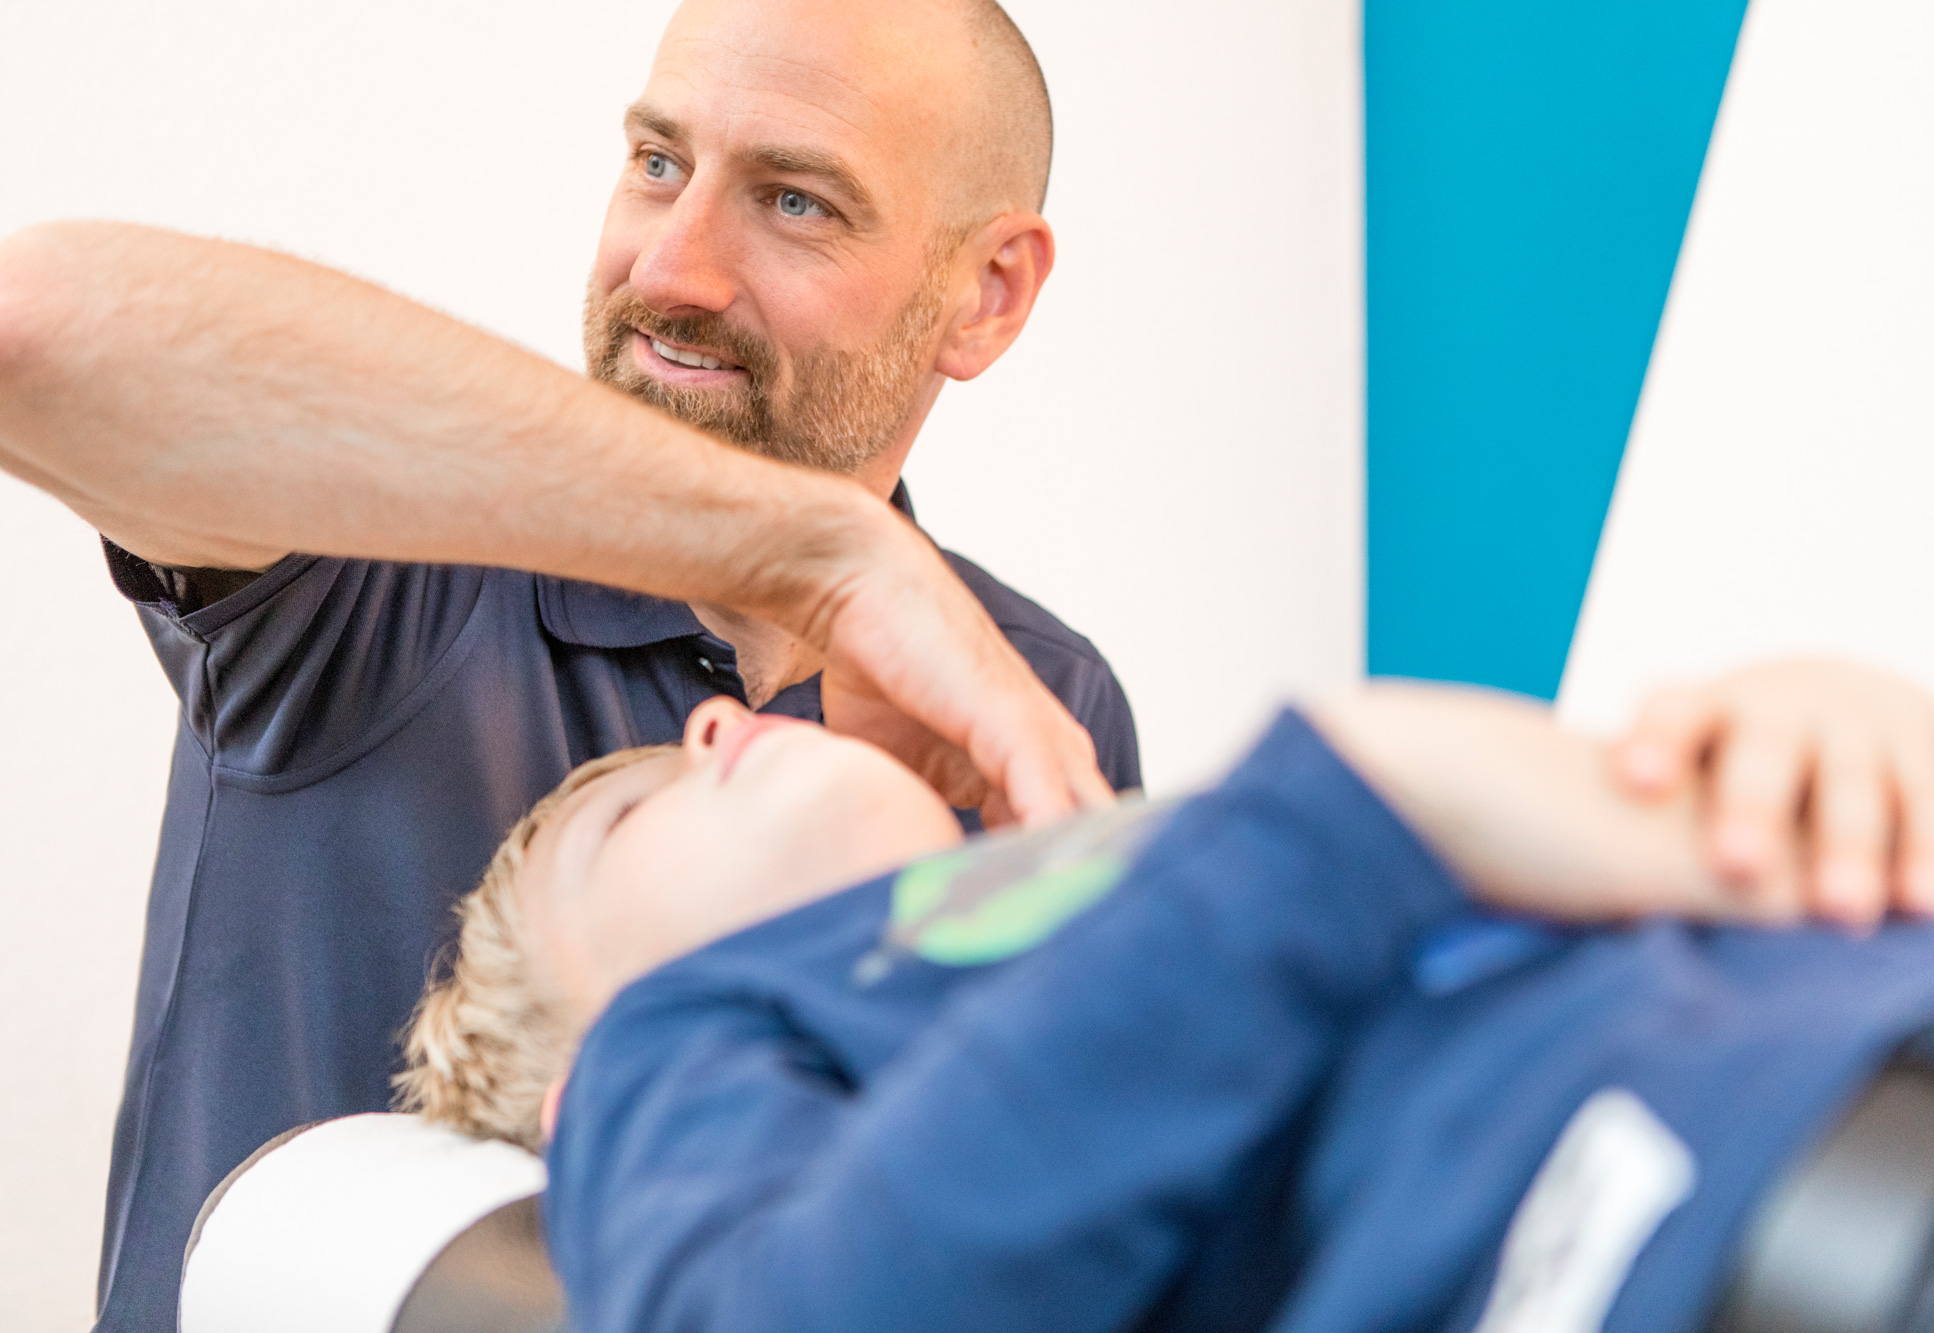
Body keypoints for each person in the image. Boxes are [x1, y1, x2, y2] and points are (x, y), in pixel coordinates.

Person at [0, 3, 1148, 1326]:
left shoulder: (1044, 704)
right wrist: (818, 553)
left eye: (795, 201)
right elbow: (33, 327)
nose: (672, 267)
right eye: (659, 163)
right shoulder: (391, 559)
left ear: (987, 292)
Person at [395, 664, 1934, 1333]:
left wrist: (1864, 758)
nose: (710, 716)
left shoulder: (1143, 865)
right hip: (1747, 1214)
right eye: (622, 815)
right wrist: (1350, 799)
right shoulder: (676, 1047)